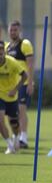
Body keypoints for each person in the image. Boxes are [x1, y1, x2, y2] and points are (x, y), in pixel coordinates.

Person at [5, 21, 34, 149]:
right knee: (12, 112)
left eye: (15, 30)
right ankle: (15, 136)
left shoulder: (25, 44)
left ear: (20, 30)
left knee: (21, 110)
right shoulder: (7, 47)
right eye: (11, 30)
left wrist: (30, 83)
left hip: (23, 82)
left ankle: (23, 137)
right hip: (10, 85)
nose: (13, 32)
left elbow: (30, 64)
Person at [0, 40, 27, 154]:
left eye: (1, 51)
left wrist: (15, 89)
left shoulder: (12, 62)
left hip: (12, 96)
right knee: (0, 121)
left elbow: (25, 76)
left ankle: (16, 138)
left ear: (4, 52)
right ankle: (9, 145)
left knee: (14, 124)